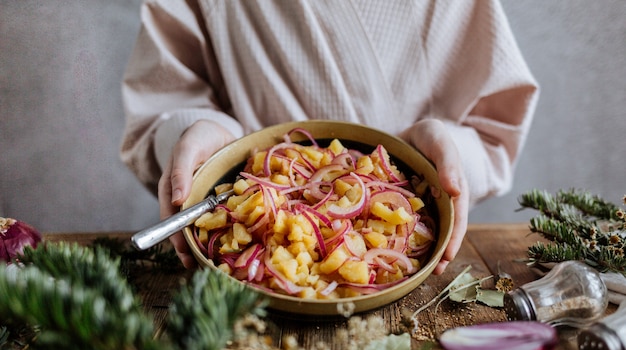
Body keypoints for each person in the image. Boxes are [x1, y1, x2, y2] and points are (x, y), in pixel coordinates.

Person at [121, 0, 539, 274]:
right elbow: (160, 106)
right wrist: (214, 139)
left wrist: (434, 153)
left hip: (402, 255)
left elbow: (491, 130)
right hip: (252, 242)